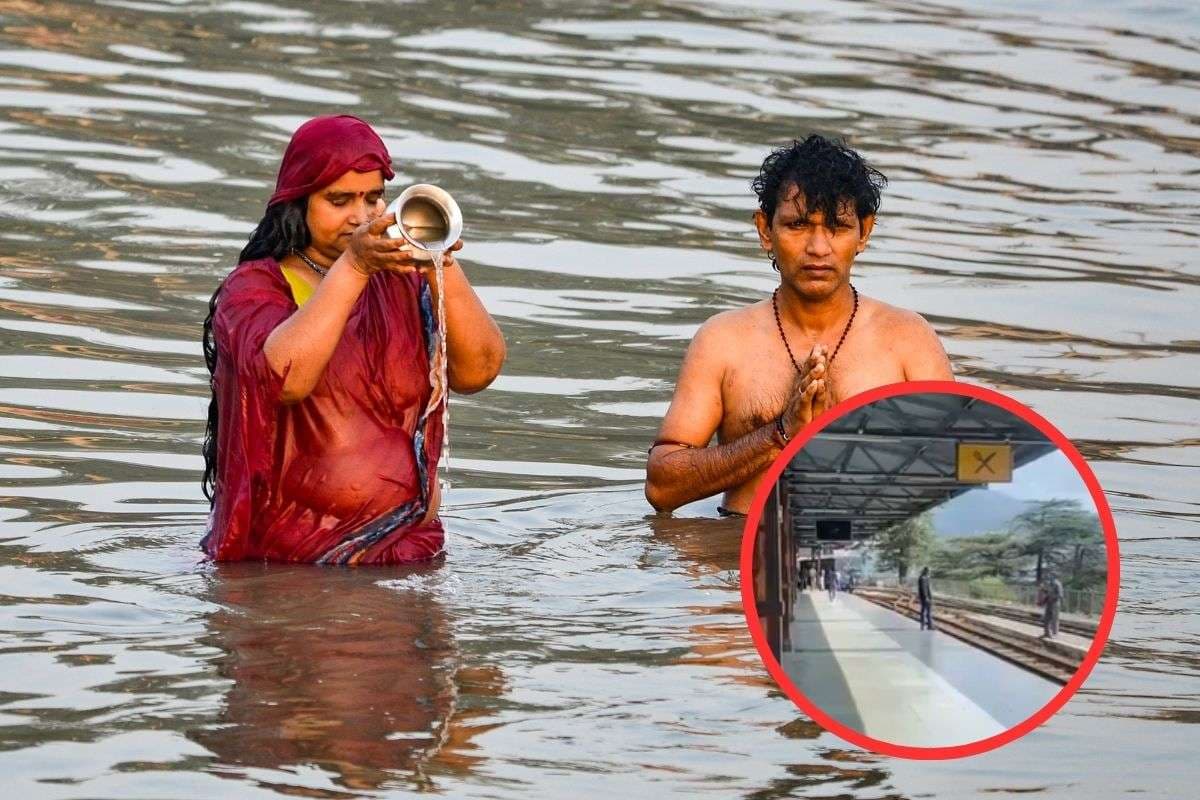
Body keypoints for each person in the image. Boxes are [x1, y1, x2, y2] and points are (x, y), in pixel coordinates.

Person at [200, 115, 506, 564]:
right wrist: (356, 266)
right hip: (291, 568)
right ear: (297, 204)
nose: (361, 217)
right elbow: (285, 380)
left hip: (412, 554)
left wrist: (439, 261)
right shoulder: (253, 289)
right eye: (339, 200)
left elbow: (479, 371)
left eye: (374, 198)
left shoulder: (402, 281)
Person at [645, 135, 953, 515]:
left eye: (838, 226)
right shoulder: (724, 341)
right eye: (797, 225)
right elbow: (661, 487)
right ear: (765, 230)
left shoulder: (908, 339)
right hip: (738, 544)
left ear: (864, 232)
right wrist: (781, 433)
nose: (818, 248)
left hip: (869, 543)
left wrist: (844, 441)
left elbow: (959, 474)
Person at [1042, 572, 1064, 638]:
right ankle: (1046, 633)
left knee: (1055, 619)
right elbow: (1048, 592)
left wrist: (1052, 597)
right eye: (1049, 575)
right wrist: (1043, 590)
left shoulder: (1058, 584)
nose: (1049, 576)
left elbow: (1060, 595)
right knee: (1046, 618)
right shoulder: (1049, 584)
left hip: (1055, 603)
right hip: (1049, 603)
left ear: (1054, 576)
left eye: (1051, 575)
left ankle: (1055, 634)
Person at [917, 567, 934, 631]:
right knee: (926, 611)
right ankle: (926, 625)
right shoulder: (923, 578)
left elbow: (928, 588)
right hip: (925, 597)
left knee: (926, 611)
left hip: (927, 597)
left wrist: (930, 596)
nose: (929, 572)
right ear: (925, 571)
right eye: (928, 571)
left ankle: (927, 625)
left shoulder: (925, 577)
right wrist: (926, 597)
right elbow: (923, 588)